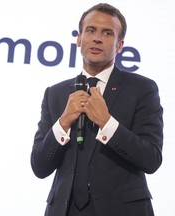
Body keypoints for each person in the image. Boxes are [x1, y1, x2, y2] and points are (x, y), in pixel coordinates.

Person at [31, 3, 163, 216]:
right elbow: (39, 166)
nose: (97, 38)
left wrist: (107, 123)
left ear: (119, 45)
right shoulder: (55, 94)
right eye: (90, 30)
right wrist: (64, 121)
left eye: (107, 33)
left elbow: (151, 159)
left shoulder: (142, 89)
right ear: (78, 39)